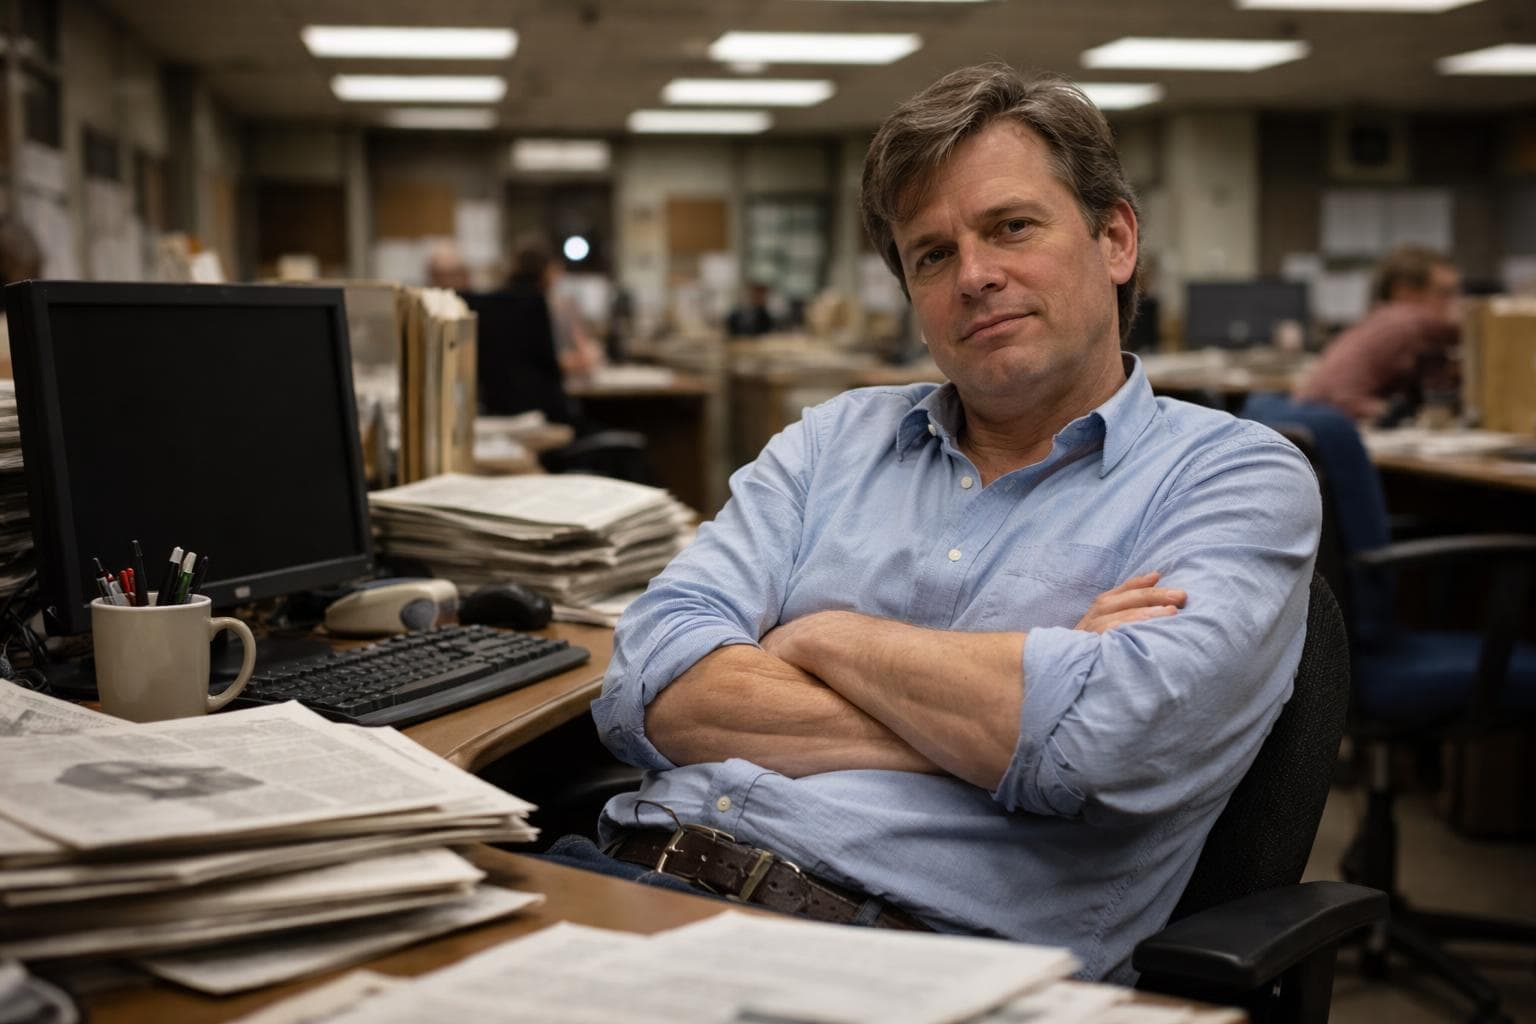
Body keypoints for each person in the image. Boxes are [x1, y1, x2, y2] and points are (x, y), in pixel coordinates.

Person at [554, 63, 1320, 983]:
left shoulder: (1234, 475)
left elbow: (1105, 745)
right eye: (932, 254)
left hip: (909, 964)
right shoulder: (832, 442)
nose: (976, 276)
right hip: (628, 884)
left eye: (1011, 228)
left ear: (1114, 238)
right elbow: (649, 680)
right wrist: (1006, 713)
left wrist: (819, 634)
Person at [1292, 245, 1462, 423]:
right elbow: (1461, 327)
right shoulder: (1403, 321)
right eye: (1445, 294)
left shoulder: (1381, 321)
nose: (1454, 304)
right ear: (1404, 292)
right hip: (1331, 421)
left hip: (1317, 420)